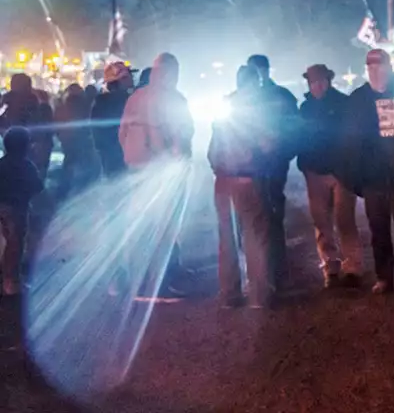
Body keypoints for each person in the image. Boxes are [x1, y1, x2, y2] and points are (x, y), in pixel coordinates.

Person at [339, 49, 394, 296]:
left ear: (389, 66)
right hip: (372, 175)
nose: (375, 70)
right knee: (378, 228)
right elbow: (349, 139)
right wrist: (355, 175)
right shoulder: (358, 98)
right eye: (370, 65)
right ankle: (384, 277)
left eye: (380, 64)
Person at [119, 52, 195, 299]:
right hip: (162, 172)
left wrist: (132, 157)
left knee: (141, 225)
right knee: (164, 227)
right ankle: (159, 285)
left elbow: (122, 133)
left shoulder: (136, 97)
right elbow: (177, 136)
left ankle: (138, 282)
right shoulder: (173, 99)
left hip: (136, 169)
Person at [208, 66, 274, 309]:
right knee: (255, 236)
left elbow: (213, 149)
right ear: (254, 83)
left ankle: (229, 293)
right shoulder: (258, 109)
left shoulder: (224, 108)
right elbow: (267, 145)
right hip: (248, 179)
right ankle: (258, 295)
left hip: (223, 181)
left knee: (227, 238)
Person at [298, 64, 361, 289]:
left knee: (345, 220)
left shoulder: (344, 105)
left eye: (320, 81)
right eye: (313, 82)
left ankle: (352, 266)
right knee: (321, 222)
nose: (316, 85)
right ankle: (330, 265)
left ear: (328, 81)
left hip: (341, 172)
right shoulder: (305, 108)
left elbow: (353, 137)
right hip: (314, 172)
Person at [246, 55, 299, 290]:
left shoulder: (281, 96)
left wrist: (282, 154)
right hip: (252, 167)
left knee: (273, 216)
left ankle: (276, 271)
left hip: (273, 165)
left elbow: (294, 129)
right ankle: (264, 272)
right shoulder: (245, 98)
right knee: (258, 218)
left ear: (267, 70)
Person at [0, 127, 42, 296]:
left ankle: (7, 278)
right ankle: (11, 281)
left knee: (7, 243)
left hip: (2, 207)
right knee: (15, 245)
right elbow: (37, 188)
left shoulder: (2, 164)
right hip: (18, 210)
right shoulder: (27, 166)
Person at [92, 62, 136, 178]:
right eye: (126, 77)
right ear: (116, 82)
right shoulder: (118, 103)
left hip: (113, 160)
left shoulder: (101, 103)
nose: (131, 79)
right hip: (118, 160)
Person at [55, 84, 96, 196]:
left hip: (69, 141)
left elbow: (57, 126)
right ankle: (85, 189)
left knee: (69, 165)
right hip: (81, 141)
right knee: (84, 165)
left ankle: (63, 191)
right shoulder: (85, 106)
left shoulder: (62, 108)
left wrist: (62, 137)